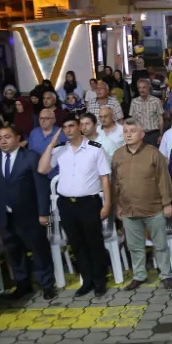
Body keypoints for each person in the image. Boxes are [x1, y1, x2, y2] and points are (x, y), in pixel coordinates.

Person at [37, 116, 112, 297]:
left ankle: (100, 281)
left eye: (71, 126)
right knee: (77, 244)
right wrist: (51, 143)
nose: (68, 130)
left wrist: (107, 203)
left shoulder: (95, 149)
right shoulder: (60, 150)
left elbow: (104, 178)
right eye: (64, 127)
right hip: (67, 204)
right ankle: (86, 281)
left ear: (79, 127)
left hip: (89, 202)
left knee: (94, 242)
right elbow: (42, 169)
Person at [110, 119, 172, 290]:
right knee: (134, 246)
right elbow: (115, 183)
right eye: (125, 131)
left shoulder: (153, 153)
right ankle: (139, 275)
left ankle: (166, 275)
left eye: (132, 130)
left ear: (142, 134)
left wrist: (167, 203)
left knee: (160, 245)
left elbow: (164, 180)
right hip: (128, 210)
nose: (128, 134)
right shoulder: (117, 155)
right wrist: (117, 205)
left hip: (154, 208)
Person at [130, 79, 164, 147]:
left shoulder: (156, 101)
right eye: (139, 88)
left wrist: (161, 135)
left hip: (154, 135)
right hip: (140, 135)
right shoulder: (134, 102)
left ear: (148, 88)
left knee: (154, 156)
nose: (141, 90)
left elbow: (160, 119)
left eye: (144, 87)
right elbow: (132, 121)